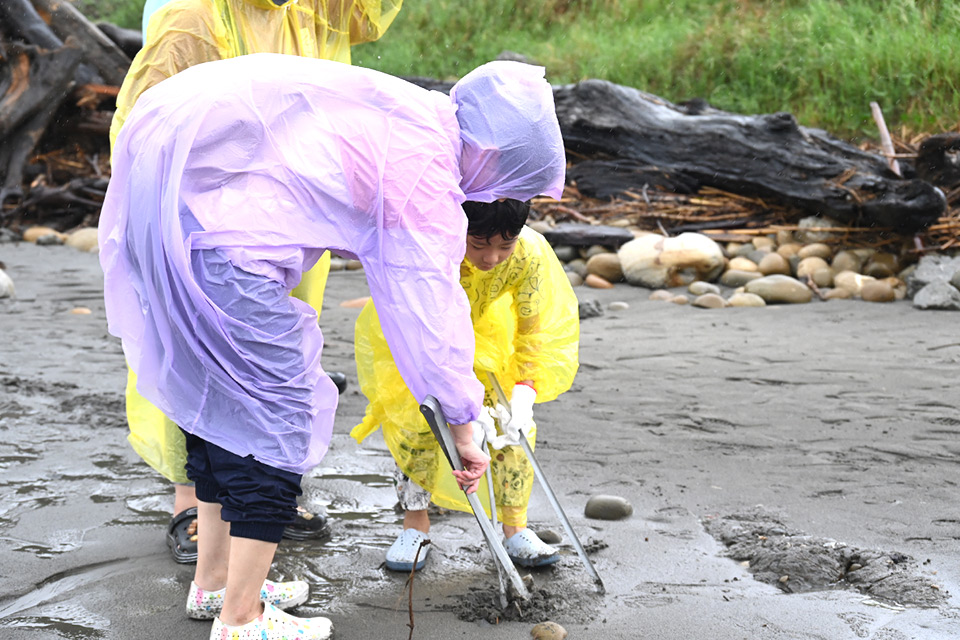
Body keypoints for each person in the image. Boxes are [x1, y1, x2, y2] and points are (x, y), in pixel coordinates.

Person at [100, 54, 566, 639]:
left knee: (220, 416)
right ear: (495, 153)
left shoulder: (409, 112)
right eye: (507, 177)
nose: (496, 190)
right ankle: (241, 618)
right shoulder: (423, 167)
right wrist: (464, 420)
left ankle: (215, 583)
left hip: (174, 230)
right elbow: (425, 309)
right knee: (276, 424)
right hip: (227, 257)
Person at [113, 0, 402, 563]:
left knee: (273, 364)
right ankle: (191, 502)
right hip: (204, 222)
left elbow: (363, 23)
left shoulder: (314, 7)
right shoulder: (191, 16)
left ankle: (257, 503)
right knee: (196, 356)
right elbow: (142, 124)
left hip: (285, 218)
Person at [352, 198, 579, 571]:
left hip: (487, 340)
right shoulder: (433, 251)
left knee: (509, 428)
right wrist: (459, 415)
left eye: (504, 246)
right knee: (418, 425)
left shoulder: (528, 255)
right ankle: (415, 526)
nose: (491, 257)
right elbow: (422, 322)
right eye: (479, 245)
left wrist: (525, 390)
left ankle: (515, 528)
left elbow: (534, 329)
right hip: (417, 339)